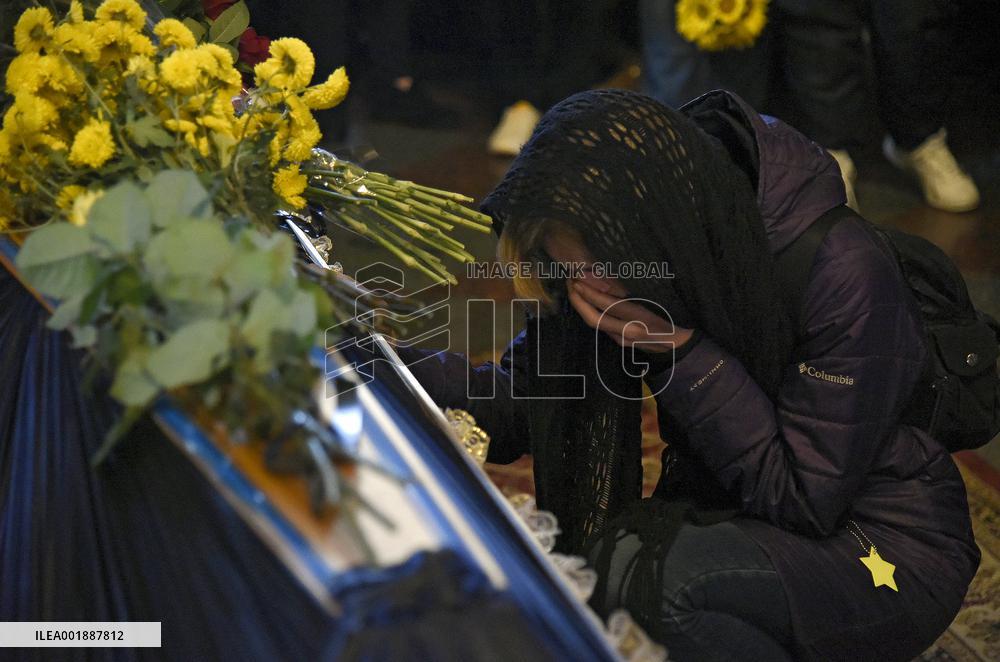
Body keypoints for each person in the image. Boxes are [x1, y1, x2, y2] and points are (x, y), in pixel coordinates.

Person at [393, 88, 980, 660]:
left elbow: (804, 497)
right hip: (745, 512)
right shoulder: (625, 256)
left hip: (883, 542)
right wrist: (368, 350)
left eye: (588, 269)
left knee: (651, 583)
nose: (584, 293)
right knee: (608, 571)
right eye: (567, 271)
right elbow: (515, 404)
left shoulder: (842, 269)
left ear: (644, 233)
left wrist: (683, 353)